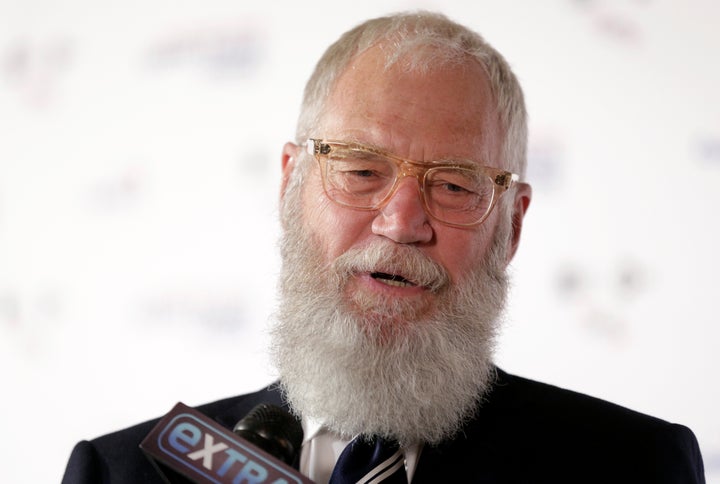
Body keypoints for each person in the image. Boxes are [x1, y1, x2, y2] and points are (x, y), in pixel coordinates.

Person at [62, 10, 705, 483]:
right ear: (291, 185)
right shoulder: (125, 472)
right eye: (361, 170)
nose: (400, 222)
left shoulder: (632, 466)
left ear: (510, 227)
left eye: (455, 185)